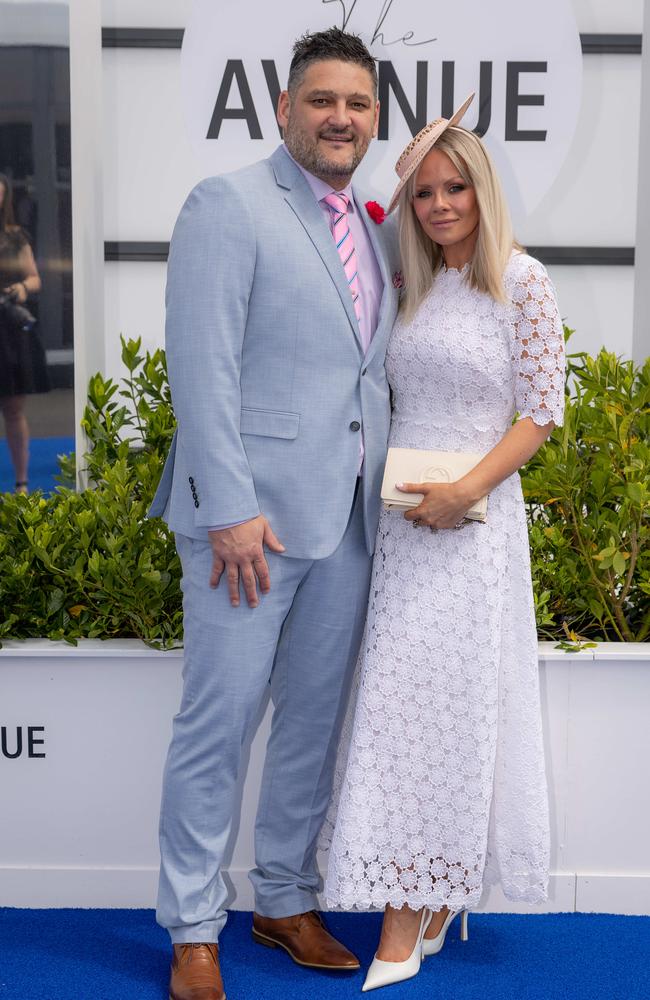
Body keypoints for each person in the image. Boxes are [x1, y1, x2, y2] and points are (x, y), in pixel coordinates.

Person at [149, 27, 400, 1000]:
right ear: (284, 108)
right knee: (218, 724)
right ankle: (193, 925)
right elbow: (199, 366)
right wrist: (229, 508)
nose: (341, 117)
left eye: (359, 104)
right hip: (245, 529)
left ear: (372, 119)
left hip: (346, 518)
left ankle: (286, 897)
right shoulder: (227, 205)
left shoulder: (374, 227)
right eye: (323, 100)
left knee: (309, 724)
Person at [324, 96, 566, 991]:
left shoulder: (524, 280)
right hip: (398, 531)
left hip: (472, 531)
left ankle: (417, 903)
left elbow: (542, 411)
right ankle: (418, 892)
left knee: (455, 715)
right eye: (423, 192)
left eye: (454, 187)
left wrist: (467, 488)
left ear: (481, 189)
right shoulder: (409, 283)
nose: (438, 206)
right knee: (395, 712)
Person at [0, 172, 47, 493]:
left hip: (9, 330)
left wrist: (19, 288)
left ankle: (21, 482)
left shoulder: (15, 237)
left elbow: (35, 279)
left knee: (14, 409)